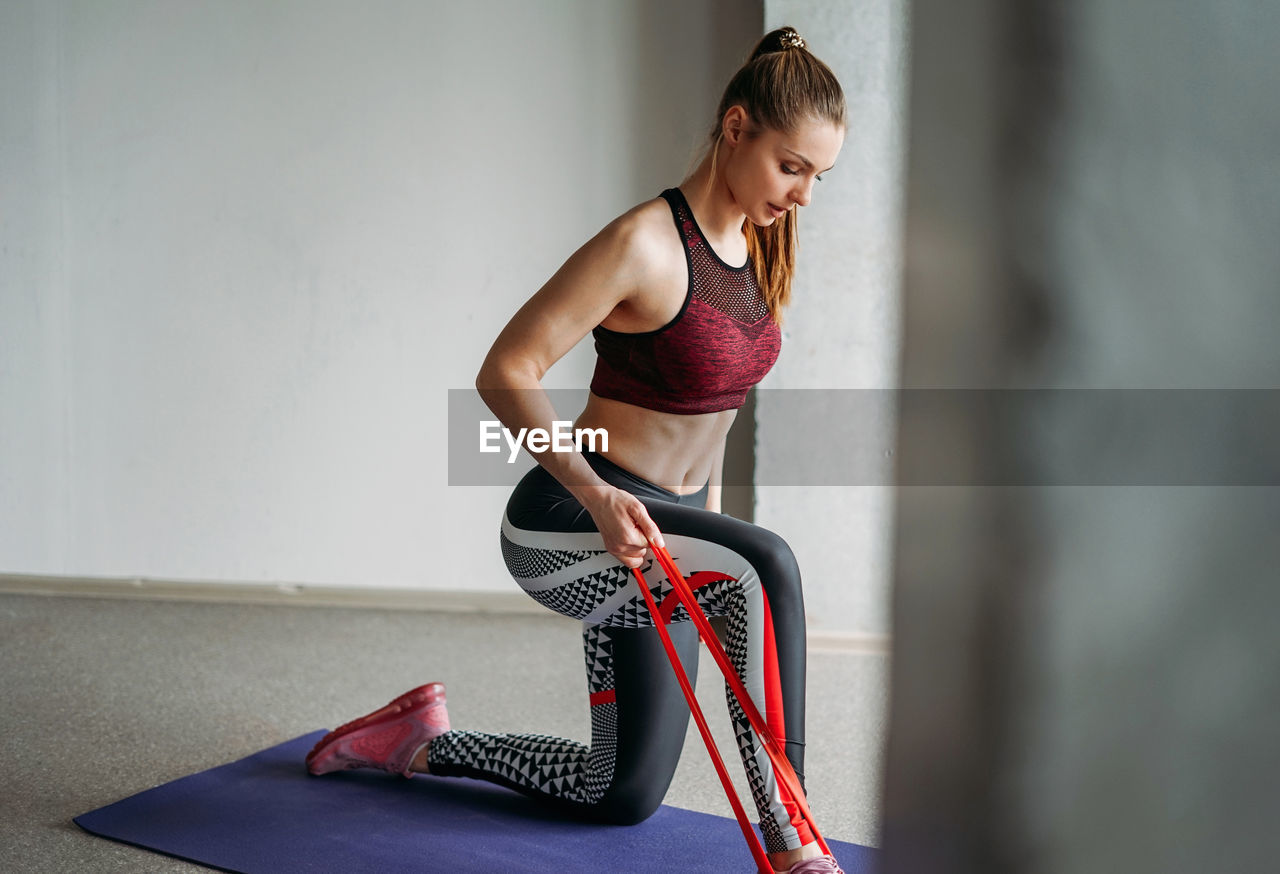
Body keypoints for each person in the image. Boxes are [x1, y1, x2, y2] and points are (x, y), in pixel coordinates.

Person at [306, 26, 847, 874]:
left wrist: (701, 532)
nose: (806, 194)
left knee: (619, 792)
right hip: (569, 520)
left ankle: (414, 741)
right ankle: (794, 841)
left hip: (659, 533)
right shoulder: (644, 244)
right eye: (793, 167)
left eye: (820, 175)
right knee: (767, 562)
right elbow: (504, 370)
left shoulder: (760, 248)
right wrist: (598, 494)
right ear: (736, 129)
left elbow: (717, 415)